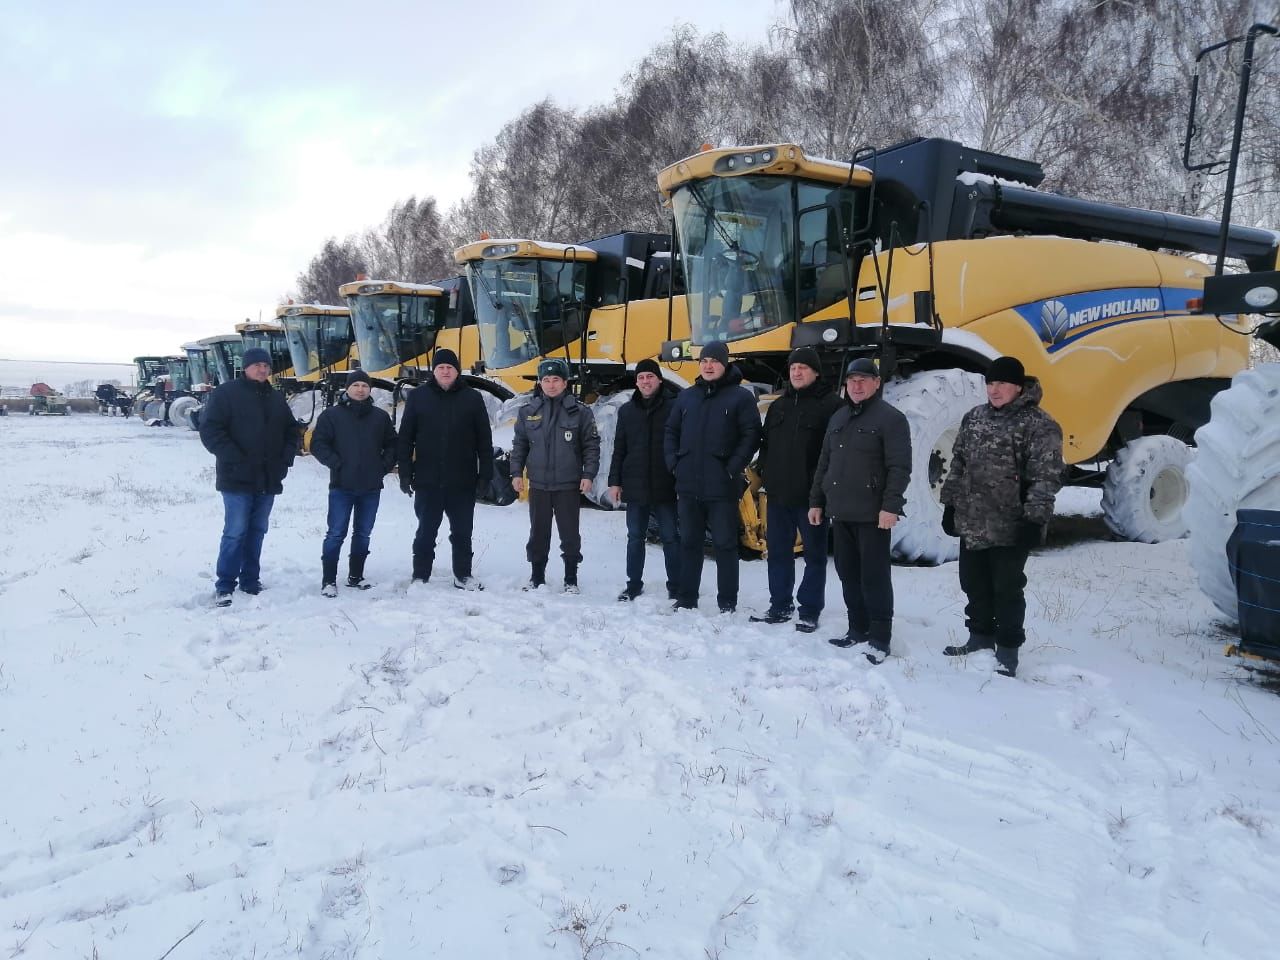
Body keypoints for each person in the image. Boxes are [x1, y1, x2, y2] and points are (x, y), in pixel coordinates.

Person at [940, 356, 1064, 678]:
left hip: (1012, 525)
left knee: (1007, 588)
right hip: (973, 522)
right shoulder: (974, 417)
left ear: (1018, 387)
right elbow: (958, 463)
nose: (994, 390)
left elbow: (1045, 476)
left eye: (1001, 384)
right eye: (990, 384)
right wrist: (950, 504)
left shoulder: (1040, 424)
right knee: (973, 583)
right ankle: (980, 638)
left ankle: (1007, 650)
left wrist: (1035, 519)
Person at [808, 357, 911, 663]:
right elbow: (824, 463)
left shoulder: (891, 419)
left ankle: (880, 638)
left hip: (872, 515)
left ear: (877, 384)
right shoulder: (839, 418)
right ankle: (857, 629)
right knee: (848, 573)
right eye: (852, 380)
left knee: (874, 577)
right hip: (840, 512)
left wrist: (891, 506)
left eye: (864, 380)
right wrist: (817, 501)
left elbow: (899, 467)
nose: (857, 386)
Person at [198, 346, 301, 607]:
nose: (262, 369)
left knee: (257, 531)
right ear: (245, 367)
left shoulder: (276, 397)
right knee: (235, 532)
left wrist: (285, 460)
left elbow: (291, 431)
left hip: (268, 477)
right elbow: (211, 431)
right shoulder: (226, 394)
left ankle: (250, 580)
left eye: (266, 366)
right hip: (237, 477)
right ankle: (225, 585)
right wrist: (236, 459)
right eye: (257, 365)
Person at [664, 341, 761, 614]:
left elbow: (751, 435)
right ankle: (686, 598)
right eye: (704, 360)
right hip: (688, 484)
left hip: (722, 486)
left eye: (714, 361)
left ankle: (727, 602)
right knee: (690, 543)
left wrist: (732, 467)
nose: (708, 365)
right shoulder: (687, 397)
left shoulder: (740, 397)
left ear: (725, 364)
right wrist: (674, 463)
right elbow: (671, 431)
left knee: (725, 545)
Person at [752, 346, 842, 632]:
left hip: (811, 498)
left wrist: (822, 491)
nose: (797, 372)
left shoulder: (832, 407)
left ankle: (810, 610)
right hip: (778, 496)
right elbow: (766, 446)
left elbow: (834, 454)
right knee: (778, 553)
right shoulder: (779, 406)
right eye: (793, 368)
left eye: (803, 367)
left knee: (814, 556)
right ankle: (780, 605)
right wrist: (765, 476)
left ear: (816, 372)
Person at [397, 348, 494, 590]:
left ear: (457, 370)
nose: (445, 371)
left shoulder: (472, 398)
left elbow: (484, 440)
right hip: (428, 479)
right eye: (441, 367)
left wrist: (486, 475)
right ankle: (420, 575)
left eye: (450, 367)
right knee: (425, 532)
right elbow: (405, 438)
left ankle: (463, 575)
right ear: (434, 371)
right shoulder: (418, 397)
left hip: (462, 480)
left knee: (462, 532)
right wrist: (405, 472)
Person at [510, 358, 600, 592]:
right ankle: (537, 577)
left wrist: (588, 475)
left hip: (568, 486)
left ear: (565, 382)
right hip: (538, 484)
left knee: (570, 534)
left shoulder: (580, 412)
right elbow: (520, 445)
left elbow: (591, 446)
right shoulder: (528, 412)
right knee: (538, 533)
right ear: (540, 383)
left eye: (556, 380)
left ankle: (571, 579)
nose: (551, 385)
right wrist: (516, 473)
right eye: (546, 380)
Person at [310, 369, 397, 597]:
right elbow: (318, 444)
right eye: (356, 385)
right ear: (347, 388)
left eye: (364, 386)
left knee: (363, 533)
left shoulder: (380, 417)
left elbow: (392, 444)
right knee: (336, 533)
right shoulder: (331, 416)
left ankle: (356, 576)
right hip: (341, 486)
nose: (360, 389)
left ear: (370, 390)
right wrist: (337, 464)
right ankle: (329, 580)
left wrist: (382, 466)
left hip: (370, 487)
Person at [607, 358, 681, 602]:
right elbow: (619, 449)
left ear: (659, 379)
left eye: (650, 376)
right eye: (641, 377)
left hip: (666, 483)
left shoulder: (675, 406)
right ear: (636, 382)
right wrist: (614, 482)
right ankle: (634, 584)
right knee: (635, 537)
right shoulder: (627, 411)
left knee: (671, 537)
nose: (646, 381)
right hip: (635, 484)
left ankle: (677, 585)